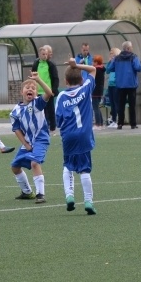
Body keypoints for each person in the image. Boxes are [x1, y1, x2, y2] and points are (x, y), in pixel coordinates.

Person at [56, 58, 98, 215]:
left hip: (68, 136)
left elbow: (59, 119)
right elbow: (93, 69)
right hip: (84, 135)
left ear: (65, 81)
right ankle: (88, 201)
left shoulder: (61, 97)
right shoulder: (85, 88)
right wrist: (76, 65)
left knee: (68, 166)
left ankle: (69, 197)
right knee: (85, 169)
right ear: (81, 79)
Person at [10, 72, 53, 204]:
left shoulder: (37, 104)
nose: (30, 89)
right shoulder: (15, 111)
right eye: (27, 87)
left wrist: (38, 80)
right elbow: (16, 129)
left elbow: (49, 93)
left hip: (41, 139)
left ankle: (40, 194)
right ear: (21, 92)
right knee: (15, 166)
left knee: (34, 163)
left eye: (33, 88)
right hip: (28, 141)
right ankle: (27, 192)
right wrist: (26, 144)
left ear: (35, 93)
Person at [106, 41, 141, 129]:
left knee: (120, 105)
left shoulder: (117, 58)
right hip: (131, 85)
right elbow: (138, 68)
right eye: (131, 47)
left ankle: (120, 123)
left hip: (120, 85)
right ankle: (133, 124)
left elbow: (110, 68)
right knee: (132, 105)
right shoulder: (134, 57)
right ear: (129, 48)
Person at [31, 45, 59, 133]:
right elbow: (33, 76)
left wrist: (53, 90)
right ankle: (43, 128)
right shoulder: (36, 64)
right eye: (43, 54)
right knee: (41, 111)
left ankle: (53, 128)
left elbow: (55, 78)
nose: (45, 56)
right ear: (39, 54)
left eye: (46, 54)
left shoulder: (51, 65)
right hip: (38, 92)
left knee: (50, 110)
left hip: (48, 91)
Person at [105, 47, 120, 128]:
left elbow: (112, 68)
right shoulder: (111, 61)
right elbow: (107, 70)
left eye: (112, 53)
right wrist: (109, 62)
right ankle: (113, 120)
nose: (110, 54)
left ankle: (117, 120)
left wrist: (112, 61)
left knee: (116, 103)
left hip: (116, 84)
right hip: (110, 84)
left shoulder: (117, 60)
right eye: (110, 53)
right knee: (112, 103)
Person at [91, 55, 106, 129]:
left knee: (95, 107)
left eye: (93, 61)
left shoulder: (96, 70)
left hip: (95, 90)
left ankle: (98, 124)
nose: (92, 63)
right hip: (100, 90)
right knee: (97, 107)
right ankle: (101, 123)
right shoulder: (102, 69)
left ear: (96, 62)